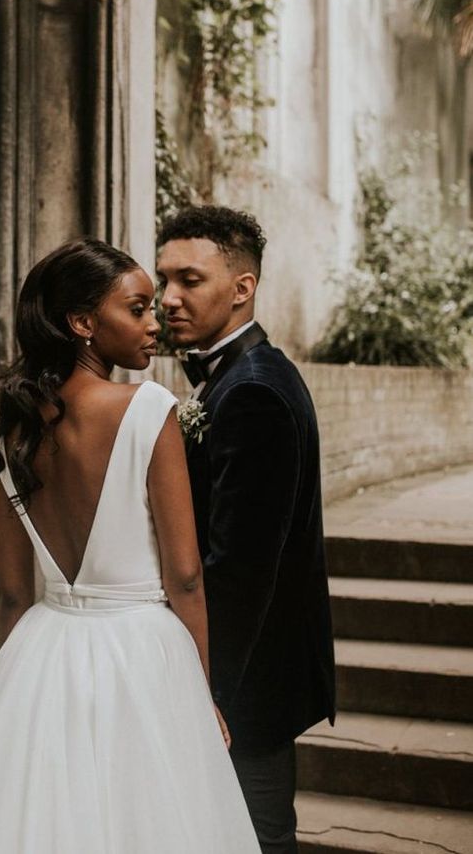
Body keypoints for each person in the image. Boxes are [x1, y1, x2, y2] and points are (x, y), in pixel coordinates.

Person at [0, 237, 260, 853]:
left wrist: (16, 689)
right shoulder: (148, 408)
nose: (154, 321)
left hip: (43, 648)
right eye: (136, 309)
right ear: (83, 323)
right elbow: (186, 577)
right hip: (142, 649)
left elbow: (11, 591)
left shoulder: (11, 430)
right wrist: (200, 693)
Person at [156, 206, 336, 854]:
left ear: (242, 288)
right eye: (163, 279)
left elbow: (239, 568)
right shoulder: (237, 377)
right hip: (248, 670)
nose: (169, 298)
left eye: (189, 279)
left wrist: (207, 688)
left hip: (249, 683)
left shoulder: (252, 392)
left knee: (259, 839)